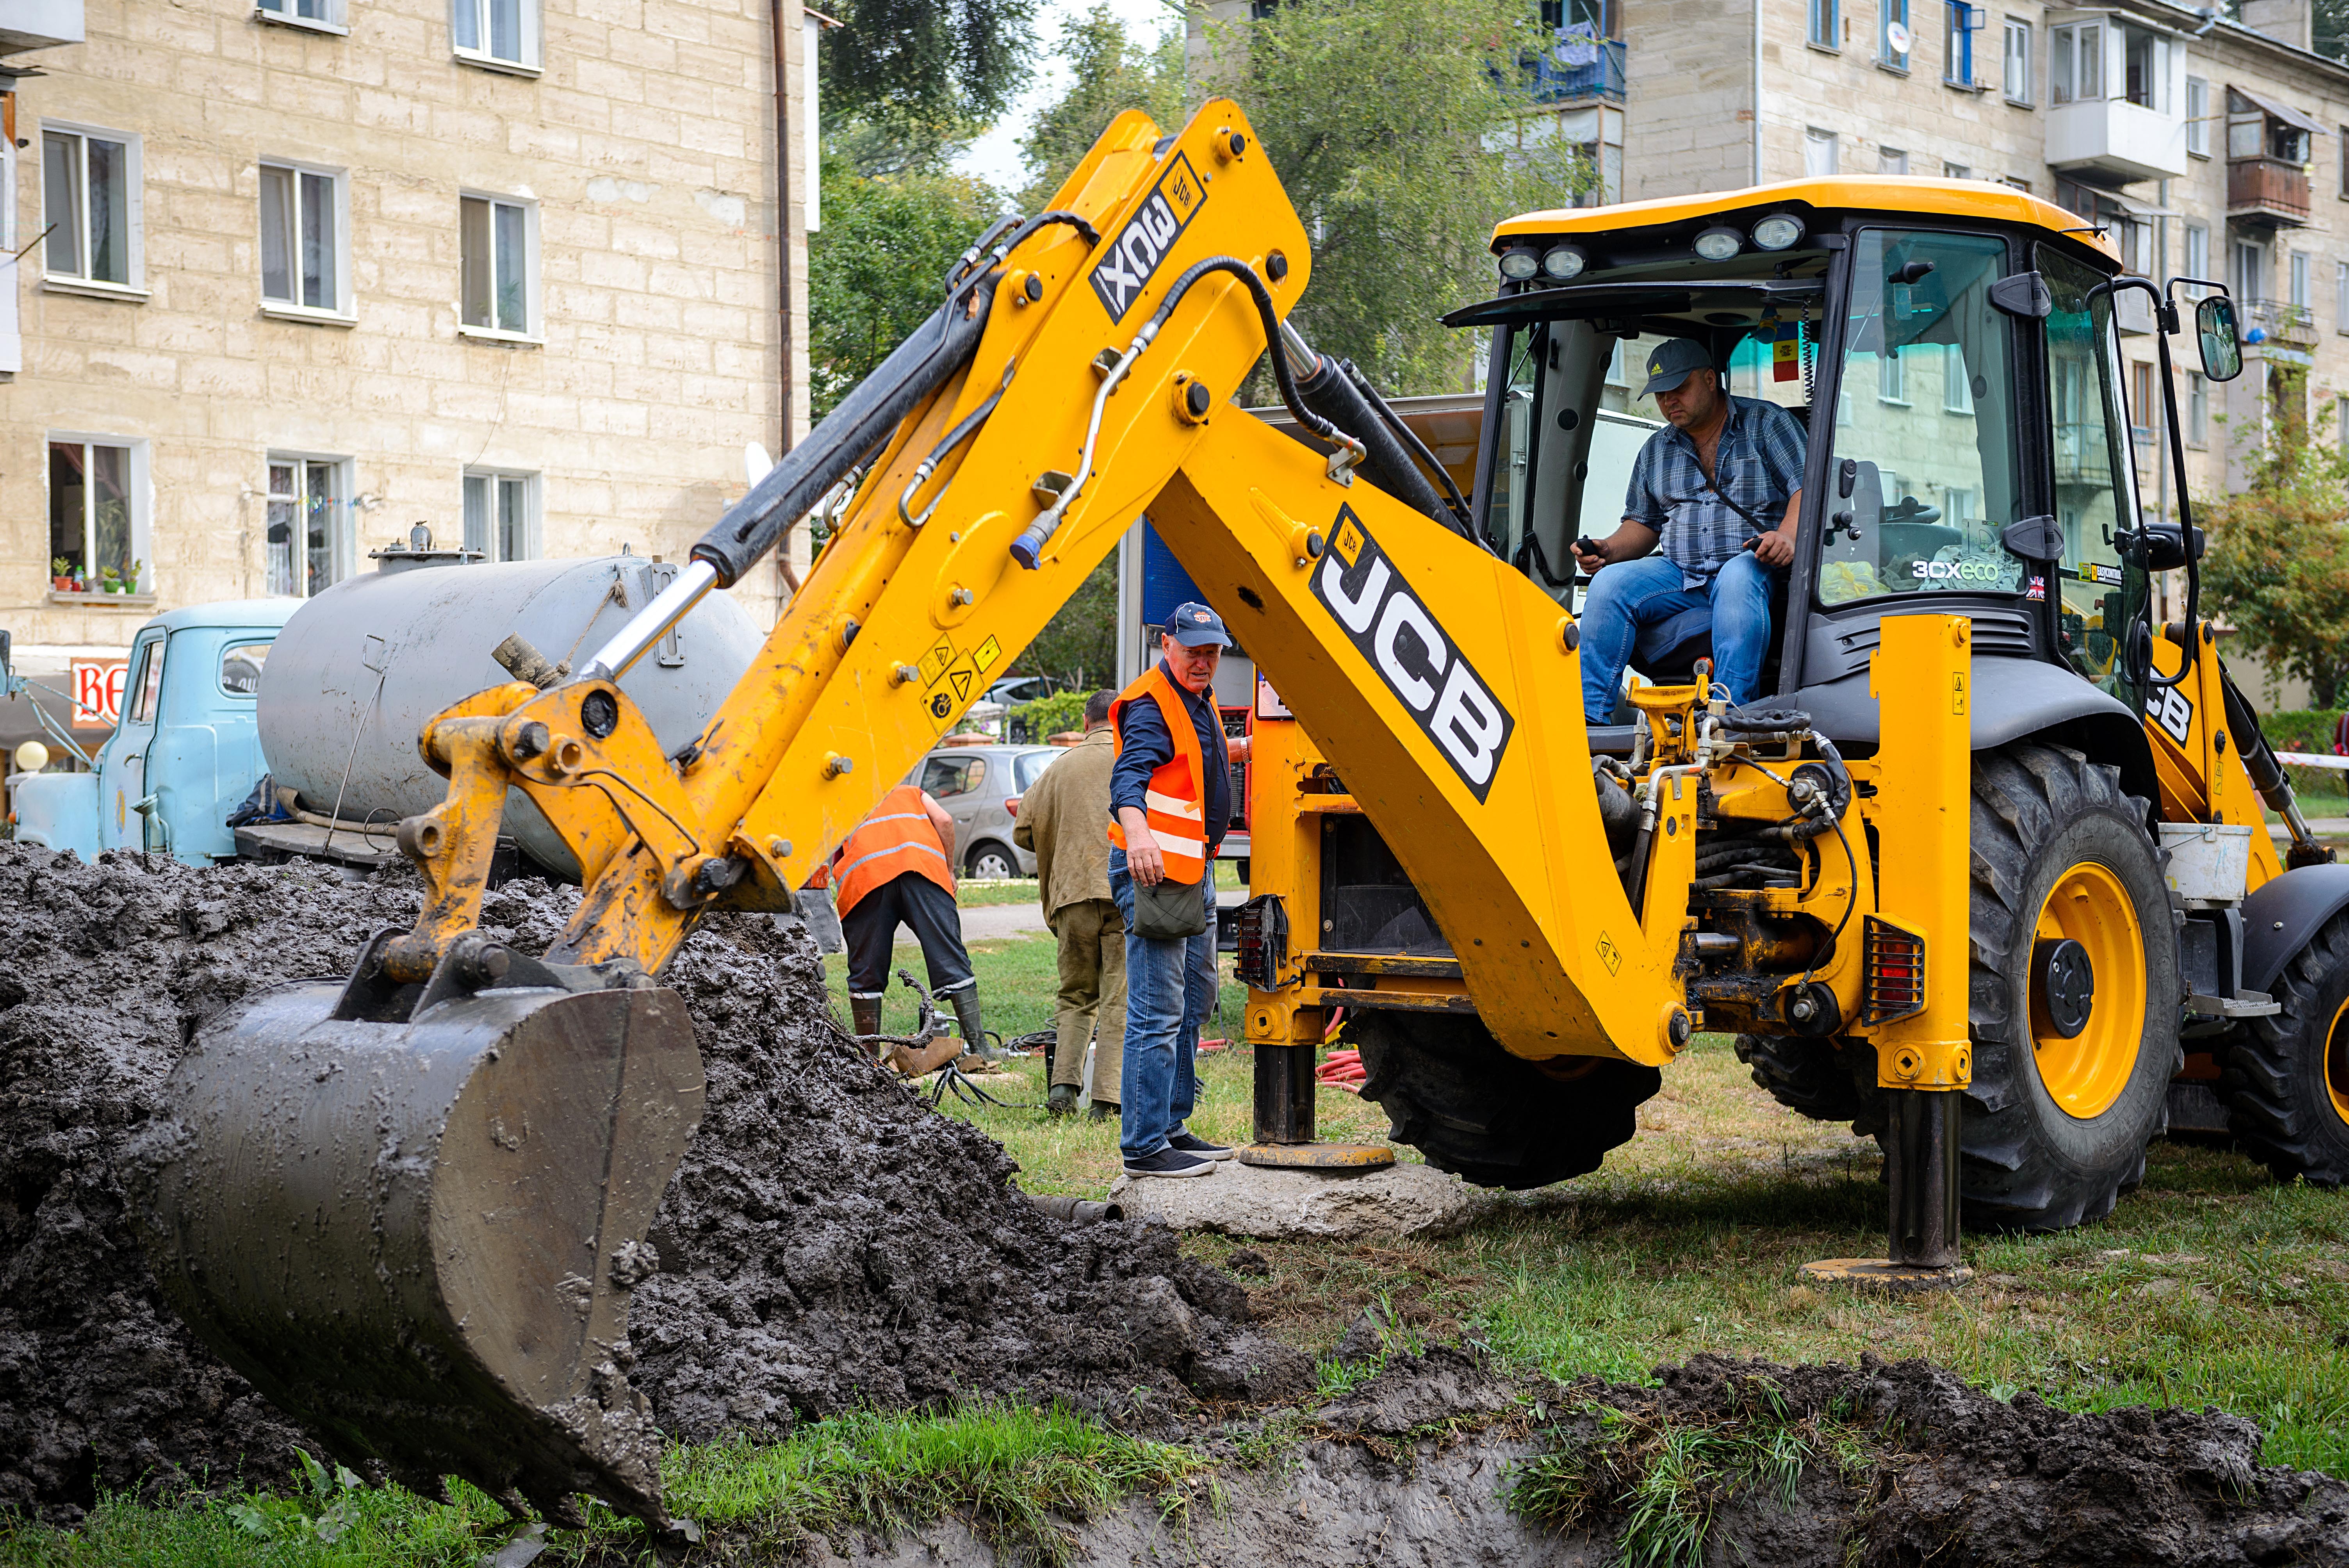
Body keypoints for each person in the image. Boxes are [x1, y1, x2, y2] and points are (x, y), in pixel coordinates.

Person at [1571, 337, 1807, 722]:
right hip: (1682, 573)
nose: (1669, 402)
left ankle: (1728, 717)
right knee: (1609, 585)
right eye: (1661, 394)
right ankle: (1590, 720)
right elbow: (1643, 523)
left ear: (1710, 380)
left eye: (1679, 389)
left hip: (1754, 565)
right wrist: (1608, 549)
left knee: (1735, 575)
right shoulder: (1656, 449)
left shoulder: (1766, 424)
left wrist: (1787, 536)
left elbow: (1805, 488)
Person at [1109, 602, 1250, 1179]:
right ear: (1167, 645)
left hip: (1194, 870)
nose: (1204, 661)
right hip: (1155, 873)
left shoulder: (1199, 698)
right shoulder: (1150, 701)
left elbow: (1187, 762)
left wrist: (1238, 753)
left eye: (1213, 651)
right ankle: (1144, 1146)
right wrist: (1138, 832)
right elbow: (1129, 774)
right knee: (1158, 1012)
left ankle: (1171, 1126)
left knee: (1193, 1004)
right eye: (1193, 650)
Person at [1012, 689, 1126, 1119]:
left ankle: (1062, 1088)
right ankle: (1107, 1101)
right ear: (1121, 718)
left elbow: (1023, 830)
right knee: (1120, 996)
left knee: (1076, 995)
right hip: (1124, 893)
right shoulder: (1135, 757)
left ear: (1085, 722)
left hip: (1072, 895)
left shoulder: (1058, 768)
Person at [823, 781, 996, 1061]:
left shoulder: (844, 801)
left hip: (867, 880)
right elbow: (944, 819)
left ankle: (869, 1059)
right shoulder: (910, 792)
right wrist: (949, 870)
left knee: (866, 972)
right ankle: (981, 1050)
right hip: (922, 872)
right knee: (950, 958)